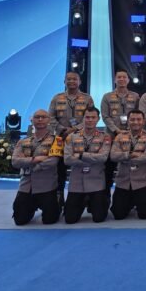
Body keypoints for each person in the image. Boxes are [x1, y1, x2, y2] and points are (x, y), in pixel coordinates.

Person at [48, 71, 95, 208]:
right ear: (64, 82)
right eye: (68, 79)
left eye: (74, 79)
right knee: (59, 168)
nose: (71, 81)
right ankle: (59, 196)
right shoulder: (56, 98)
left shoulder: (87, 98)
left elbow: (91, 117)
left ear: (80, 82)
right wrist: (62, 129)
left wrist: (74, 129)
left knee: (82, 164)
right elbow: (51, 117)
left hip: (82, 137)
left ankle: (85, 195)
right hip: (61, 138)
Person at [63, 106, 112, 224]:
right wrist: (93, 158)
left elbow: (103, 158)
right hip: (77, 183)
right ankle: (83, 202)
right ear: (83, 118)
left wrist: (80, 156)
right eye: (87, 117)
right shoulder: (72, 137)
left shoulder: (105, 137)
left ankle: (96, 202)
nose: (90, 120)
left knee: (99, 218)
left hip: (96, 182)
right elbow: (67, 160)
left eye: (93, 117)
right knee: (70, 219)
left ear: (98, 119)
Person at [11, 110, 61, 225]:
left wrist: (29, 163)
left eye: (43, 117)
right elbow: (15, 161)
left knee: (49, 220)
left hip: (46, 186)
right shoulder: (23, 141)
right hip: (26, 187)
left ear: (49, 120)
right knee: (20, 221)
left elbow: (52, 161)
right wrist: (36, 159)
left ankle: (58, 202)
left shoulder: (56, 141)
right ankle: (31, 207)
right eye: (37, 117)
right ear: (32, 120)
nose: (40, 119)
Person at [109, 110, 146, 220]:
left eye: (139, 119)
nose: (136, 122)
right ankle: (130, 202)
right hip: (123, 181)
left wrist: (123, 157)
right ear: (128, 121)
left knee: (145, 215)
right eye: (132, 119)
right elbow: (113, 156)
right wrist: (130, 155)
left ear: (144, 122)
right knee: (118, 215)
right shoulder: (120, 136)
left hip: (142, 181)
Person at [100, 70, 139, 195]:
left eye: (124, 77)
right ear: (115, 79)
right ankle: (105, 195)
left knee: (130, 162)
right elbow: (105, 116)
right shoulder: (107, 96)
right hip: (111, 136)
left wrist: (129, 131)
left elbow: (138, 116)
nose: (121, 79)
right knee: (108, 167)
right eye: (119, 77)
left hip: (131, 135)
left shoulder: (135, 96)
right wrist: (116, 130)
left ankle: (130, 193)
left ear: (128, 80)